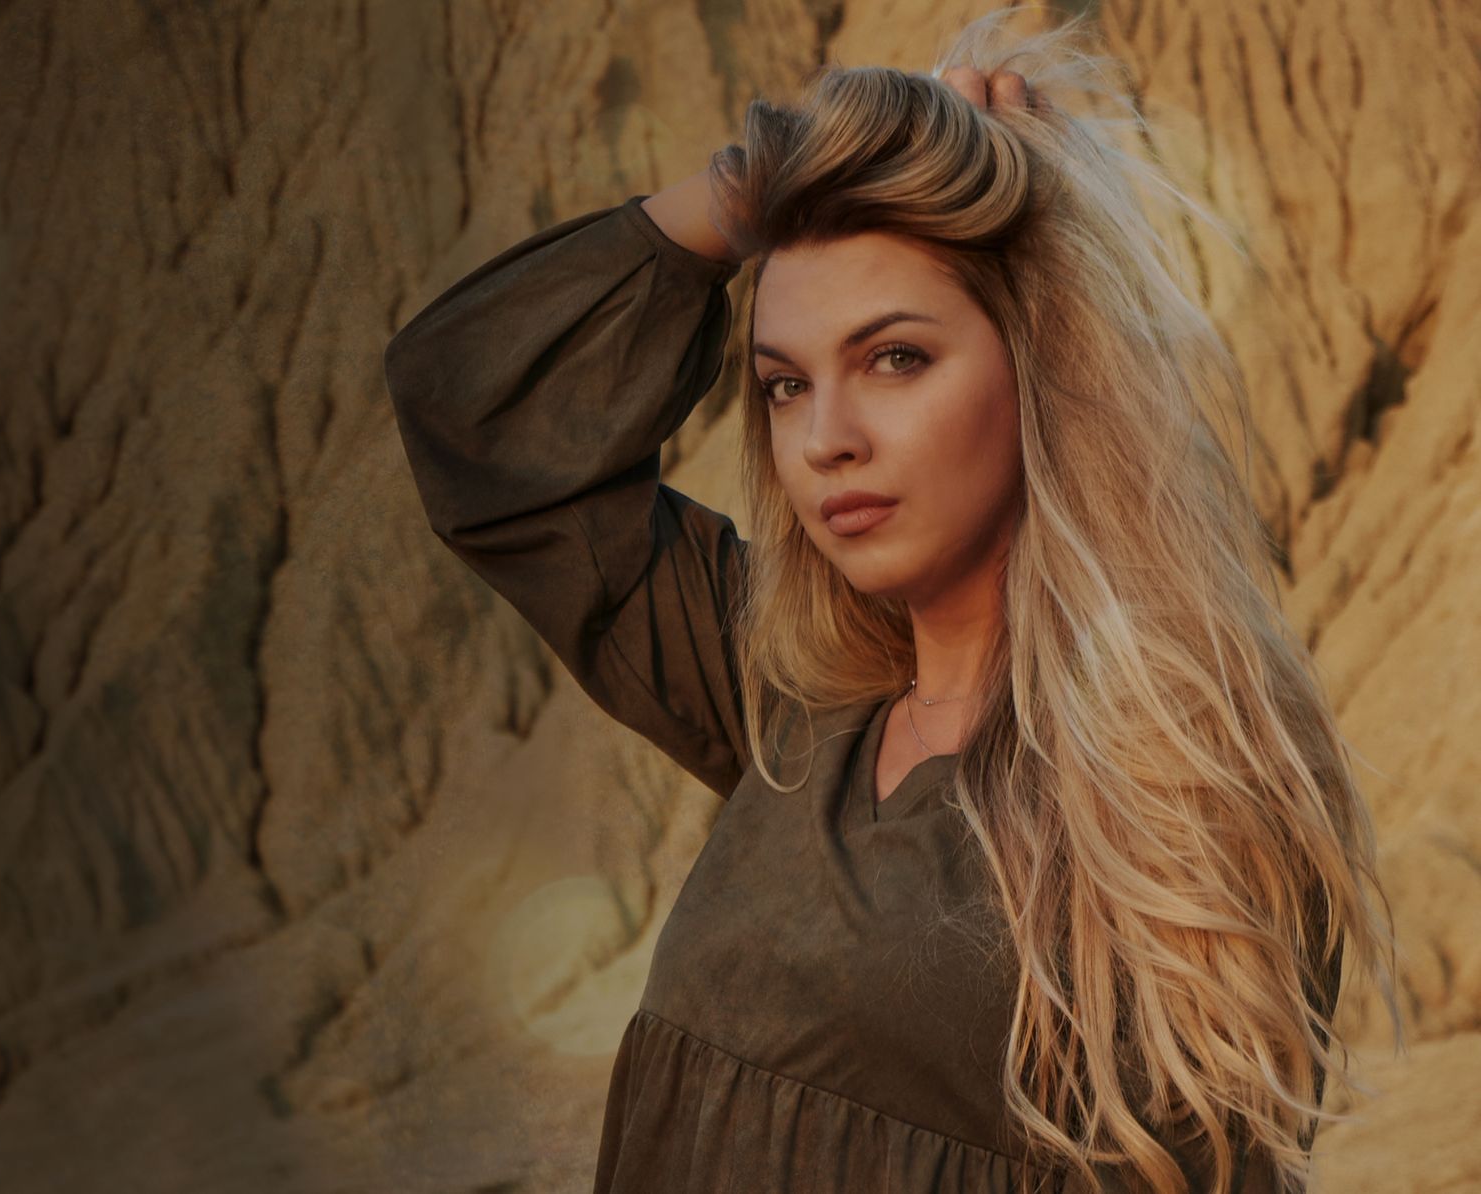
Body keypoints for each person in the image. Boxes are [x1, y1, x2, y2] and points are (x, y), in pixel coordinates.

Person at [381, 9, 1402, 1193]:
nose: (825, 441)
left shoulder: (1180, 805)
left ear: (1043, 368)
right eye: (781, 384)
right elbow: (472, 415)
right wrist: (746, 189)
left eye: (895, 358)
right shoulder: (786, 698)